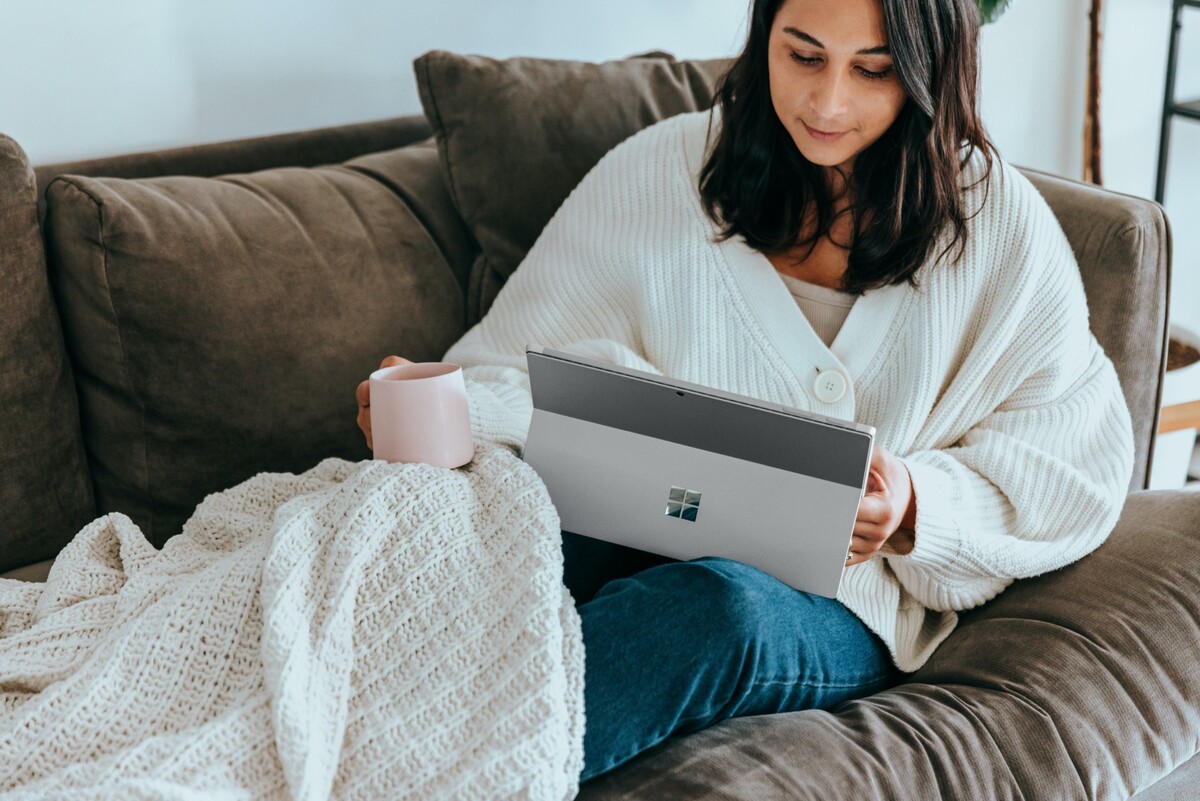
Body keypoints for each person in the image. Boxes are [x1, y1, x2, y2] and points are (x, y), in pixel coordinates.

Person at [356, 0, 1135, 782]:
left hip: (836, 602)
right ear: (765, 38)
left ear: (931, 72)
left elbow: (1076, 461)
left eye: (872, 70)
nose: (828, 103)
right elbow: (517, 367)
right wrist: (444, 403)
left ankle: (429, 777)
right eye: (802, 55)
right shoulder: (664, 169)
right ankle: (349, 714)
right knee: (518, 532)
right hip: (636, 524)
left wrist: (912, 505)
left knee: (717, 609)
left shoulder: (996, 226)